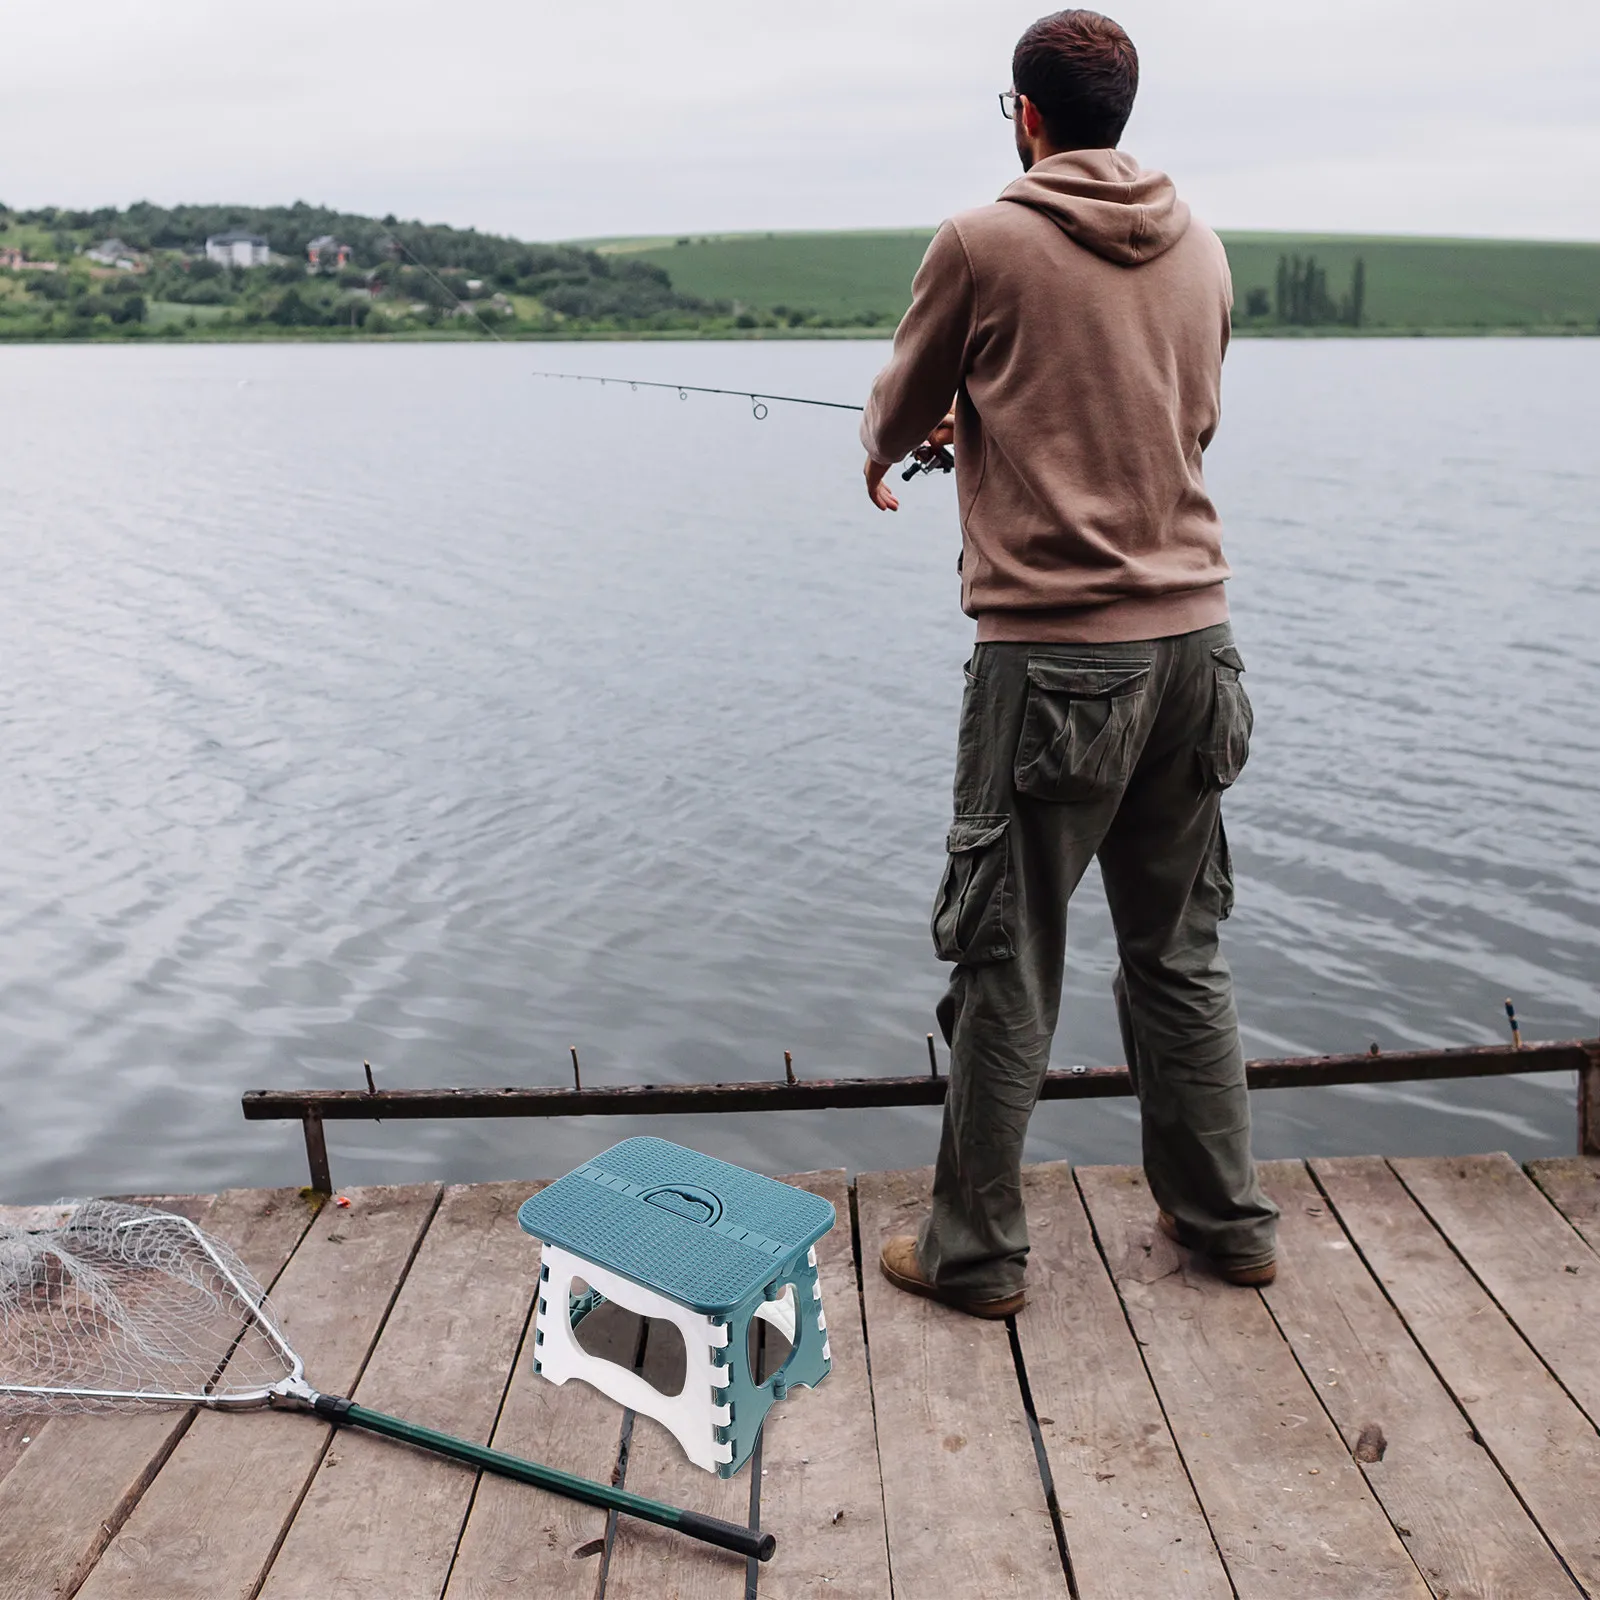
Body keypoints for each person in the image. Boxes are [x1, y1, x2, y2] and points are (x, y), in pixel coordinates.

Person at [862, 8, 1278, 1319]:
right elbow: (1186, 418)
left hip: (1051, 665)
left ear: (1024, 114)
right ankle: (1229, 1223)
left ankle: (975, 1254)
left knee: (1008, 955)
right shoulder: (1203, 245)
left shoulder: (980, 240)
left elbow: (899, 398)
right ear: (1121, 110)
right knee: (1179, 949)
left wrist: (896, 443)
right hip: (1198, 649)